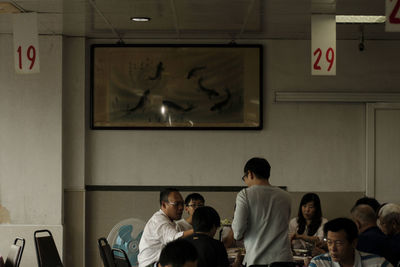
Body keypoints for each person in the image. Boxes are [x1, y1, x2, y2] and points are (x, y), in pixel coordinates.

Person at [231, 157, 293, 266]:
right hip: (284, 259)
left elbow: (238, 232)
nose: (245, 182)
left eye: (244, 178)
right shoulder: (286, 196)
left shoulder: (245, 194)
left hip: (257, 259)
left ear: (250, 174)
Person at [138, 188, 194, 267]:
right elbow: (175, 239)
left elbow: (180, 230)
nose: (181, 207)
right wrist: (197, 230)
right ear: (164, 205)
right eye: (176, 204)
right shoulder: (159, 221)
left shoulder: (169, 220)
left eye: (182, 203)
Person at [309, 218, 392, 267]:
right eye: (329, 242)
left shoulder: (378, 264)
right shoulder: (319, 263)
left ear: (354, 243)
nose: (332, 249)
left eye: (339, 243)